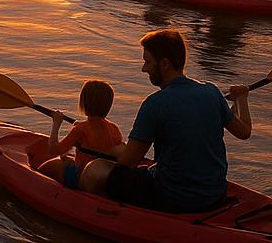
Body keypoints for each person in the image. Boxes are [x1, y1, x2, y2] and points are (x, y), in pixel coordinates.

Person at [80, 29, 250, 212]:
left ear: (165, 64)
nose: (144, 68)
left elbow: (129, 162)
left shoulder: (155, 103)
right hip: (215, 194)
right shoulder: (212, 92)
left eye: (147, 61)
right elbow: (244, 132)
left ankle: (93, 211)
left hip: (172, 197)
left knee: (94, 170)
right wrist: (242, 98)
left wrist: (108, 148)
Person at [34, 80, 125, 190]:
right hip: (102, 177)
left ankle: (32, 181)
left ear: (84, 102)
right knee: (68, 160)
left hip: (82, 177)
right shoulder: (114, 128)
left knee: (51, 166)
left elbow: (54, 151)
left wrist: (56, 124)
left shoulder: (80, 129)